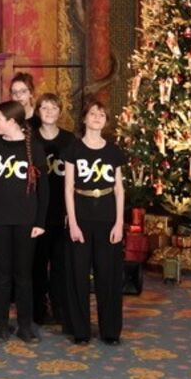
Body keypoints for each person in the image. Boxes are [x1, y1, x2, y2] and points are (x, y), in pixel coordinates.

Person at [0, 100, 48, 344]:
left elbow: (44, 190)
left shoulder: (34, 148)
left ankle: (25, 325)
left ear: (12, 121)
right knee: (1, 274)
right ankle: (0, 325)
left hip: (26, 221)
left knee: (23, 275)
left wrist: (40, 221)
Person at [63, 98, 125, 346]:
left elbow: (119, 189)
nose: (97, 118)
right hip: (82, 216)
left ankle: (110, 330)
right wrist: (74, 224)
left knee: (108, 275)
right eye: (93, 114)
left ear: (106, 121)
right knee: (78, 275)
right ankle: (80, 330)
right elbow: (68, 189)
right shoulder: (73, 149)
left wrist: (119, 223)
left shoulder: (113, 151)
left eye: (102, 114)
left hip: (108, 217)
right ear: (84, 118)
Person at [33, 93, 76, 327]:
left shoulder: (70, 140)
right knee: (37, 265)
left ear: (60, 112)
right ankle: (38, 309)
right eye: (44, 107)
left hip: (62, 212)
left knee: (60, 264)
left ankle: (60, 307)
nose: (49, 111)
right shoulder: (30, 141)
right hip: (36, 213)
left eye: (53, 107)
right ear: (38, 111)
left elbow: (77, 179)